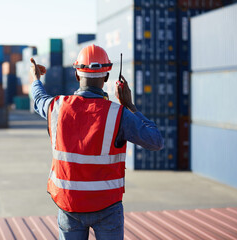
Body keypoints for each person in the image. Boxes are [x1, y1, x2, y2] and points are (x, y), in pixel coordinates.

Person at [30, 44, 164, 240]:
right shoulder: (119, 114)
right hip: (107, 207)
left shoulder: (57, 108)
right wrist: (131, 106)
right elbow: (156, 141)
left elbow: (38, 98)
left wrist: (35, 79)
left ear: (77, 75)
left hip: (69, 205)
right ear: (107, 76)